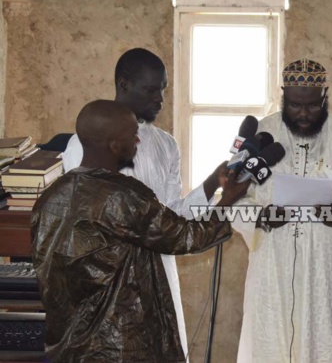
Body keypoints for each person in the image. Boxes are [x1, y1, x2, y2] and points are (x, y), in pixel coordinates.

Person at [31, 100, 250, 362]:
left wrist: (212, 182)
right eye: (132, 134)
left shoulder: (49, 198)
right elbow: (185, 236)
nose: (137, 140)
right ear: (114, 145)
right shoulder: (123, 197)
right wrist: (226, 200)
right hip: (119, 347)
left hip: (68, 347)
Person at [62, 48, 226, 356]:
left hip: (160, 276)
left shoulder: (166, 145)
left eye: (163, 90)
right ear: (123, 85)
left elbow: (171, 216)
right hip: (109, 286)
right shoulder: (87, 144)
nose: (160, 99)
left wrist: (212, 185)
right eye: (151, 90)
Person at [232, 59, 332, 363]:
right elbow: (234, 198)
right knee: (271, 342)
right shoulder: (261, 136)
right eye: (295, 105)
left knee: (328, 346)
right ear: (284, 94)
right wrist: (260, 217)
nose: (303, 114)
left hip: (329, 270)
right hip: (273, 265)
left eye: (312, 106)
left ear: (325, 95)